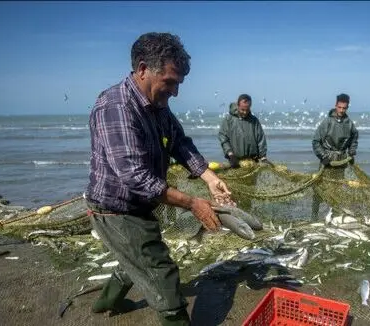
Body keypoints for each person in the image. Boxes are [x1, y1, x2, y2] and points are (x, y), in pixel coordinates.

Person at [84, 32, 233, 326]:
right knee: (162, 272)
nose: (175, 92)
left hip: (139, 205)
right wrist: (193, 203)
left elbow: (179, 141)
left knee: (136, 258)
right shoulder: (116, 107)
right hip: (114, 209)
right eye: (170, 82)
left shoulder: (158, 105)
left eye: (178, 84)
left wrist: (208, 176)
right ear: (142, 69)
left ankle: (105, 303)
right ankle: (174, 318)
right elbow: (136, 177)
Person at [311, 93, 358, 218]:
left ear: (347, 108)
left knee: (337, 188)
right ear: (335, 105)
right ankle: (314, 214)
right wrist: (323, 156)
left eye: (344, 108)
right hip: (327, 158)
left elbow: (354, 138)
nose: (342, 110)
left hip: (341, 159)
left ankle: (335, 214)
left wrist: (352, 151)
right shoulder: (327, 122)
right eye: (340, 107)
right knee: (319, 187)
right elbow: (316, 141)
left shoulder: (349, 123)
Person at [218, 93, 268, 168]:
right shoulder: (229, 119)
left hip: (253, 161)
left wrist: (263, 157)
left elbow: (260, 139)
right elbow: (223, 138)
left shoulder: (254, 120)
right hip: (235, 161)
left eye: (247, 110)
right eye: (242, 109)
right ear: (237, 106)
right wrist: (230, 154)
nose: (245, 112)